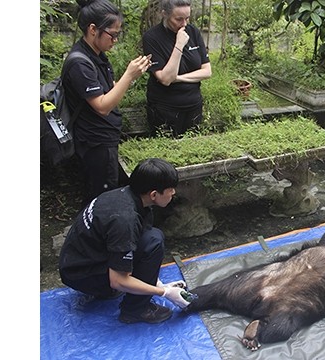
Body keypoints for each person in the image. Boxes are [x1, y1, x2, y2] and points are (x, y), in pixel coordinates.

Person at [59, 158, 190, 324]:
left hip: (82, 258)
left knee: (151, 237)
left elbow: (136, 241)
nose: (173, 193)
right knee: (154, 242)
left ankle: (124, 288)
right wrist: (163, 292)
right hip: (81, 274)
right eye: (170, 189)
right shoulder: (124, 220)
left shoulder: (128, 196)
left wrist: (157, 282)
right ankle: (135, 311)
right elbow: (118, 280)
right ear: (154, 194)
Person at [63, 0, 153, 203]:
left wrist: (131, 77)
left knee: (110, 192)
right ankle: (98, 233)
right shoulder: (79, 63)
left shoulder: (97, 55)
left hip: (104, 138)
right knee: (102, 199)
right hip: (94, 142)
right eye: (112, 34)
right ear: (93, 29)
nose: (115, 40)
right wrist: (128, 76)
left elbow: (110, 90)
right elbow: (102, 106)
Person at [142, 0, 212, 137]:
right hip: (165, 109)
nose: (184, 24)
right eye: (179, 19)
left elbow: (207, 71)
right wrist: (179, 45)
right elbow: (166, 79)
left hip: (193, 105)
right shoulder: (152, 37)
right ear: (164, 14)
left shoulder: (193, 32)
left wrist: (179, 78)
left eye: (187, 18)